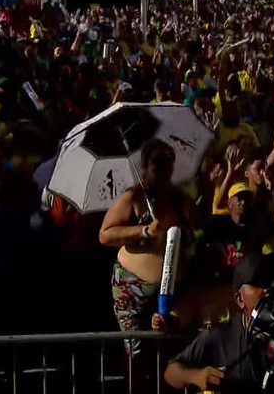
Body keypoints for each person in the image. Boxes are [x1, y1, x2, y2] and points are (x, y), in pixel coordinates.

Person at [164, 253, 274, 393]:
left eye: (271, 282)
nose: (267, 290)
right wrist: (196, 376)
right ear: (239, 299)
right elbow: (171, 372)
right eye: (258, 283)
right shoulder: (221, 336)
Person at [99, 140, 190, 384]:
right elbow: (106, 234)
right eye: (157, 164)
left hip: (171, 290)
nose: (164, 169)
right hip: (132, 289)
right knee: (137, 354)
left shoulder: (178, 198)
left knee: (171, 352)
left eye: (168, 162)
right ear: (145, 166)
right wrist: (143, 231)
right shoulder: (134, 197)